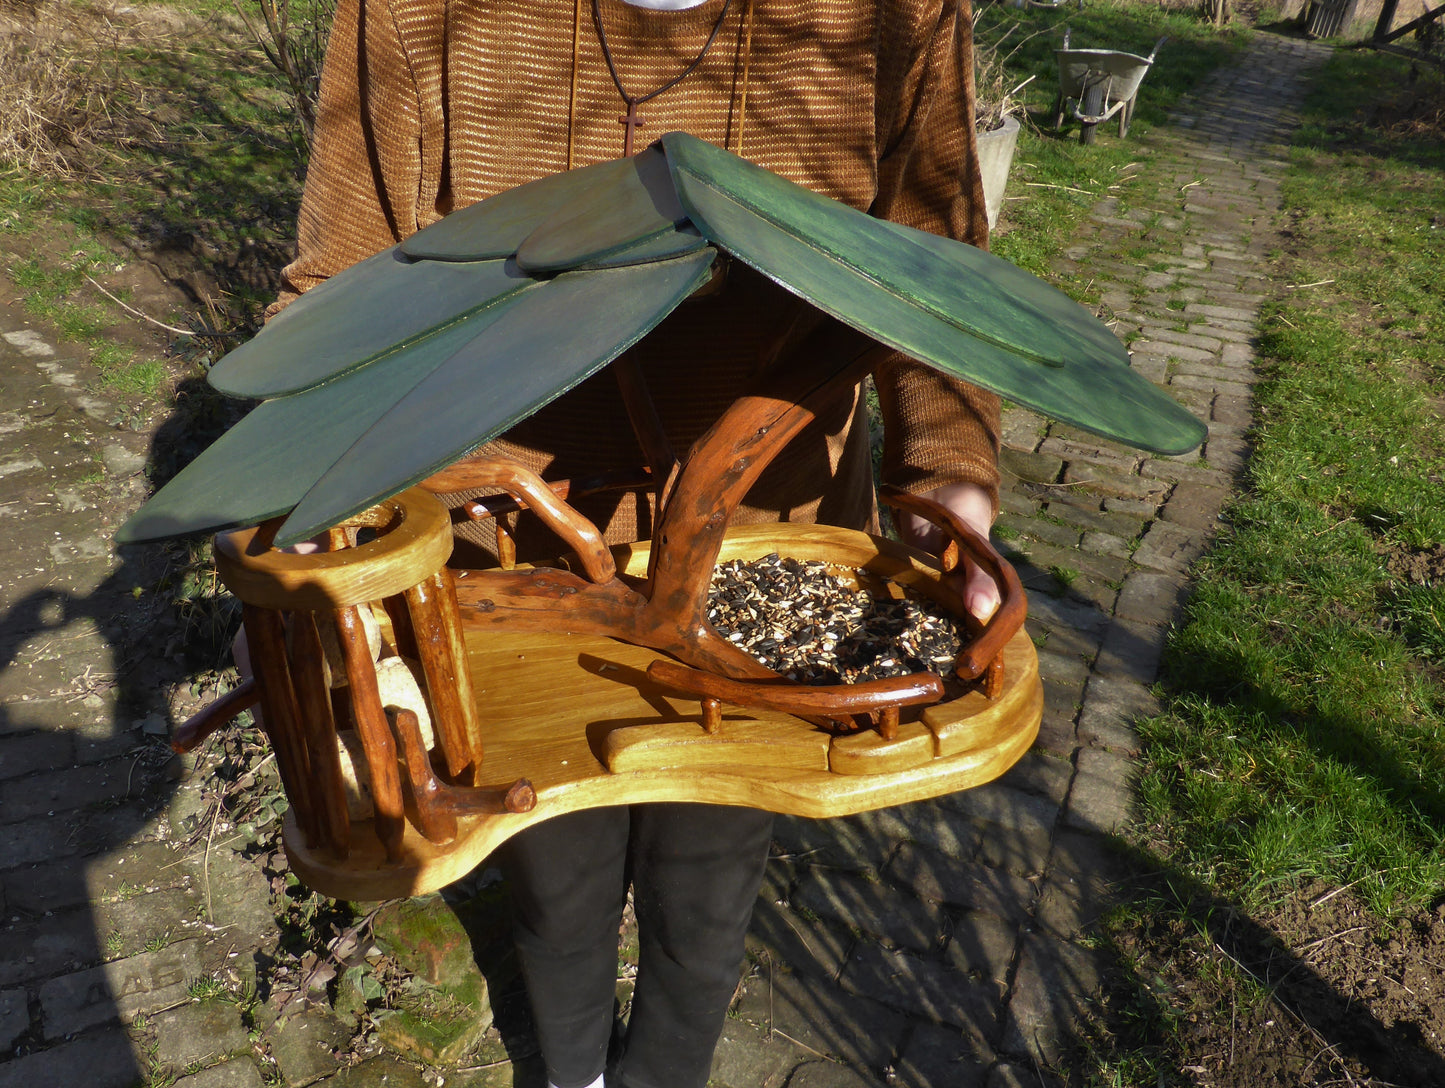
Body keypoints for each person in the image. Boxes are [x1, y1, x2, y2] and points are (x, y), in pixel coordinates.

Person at [270, 2, 1002, 1086]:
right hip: (511, 568)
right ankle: (569, 1071)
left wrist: (947, 472)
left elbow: (932, 267)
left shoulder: (890, 13)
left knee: (702, 894)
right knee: (554, 884)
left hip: (768, 554)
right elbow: (339, 285)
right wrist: (296, 540)